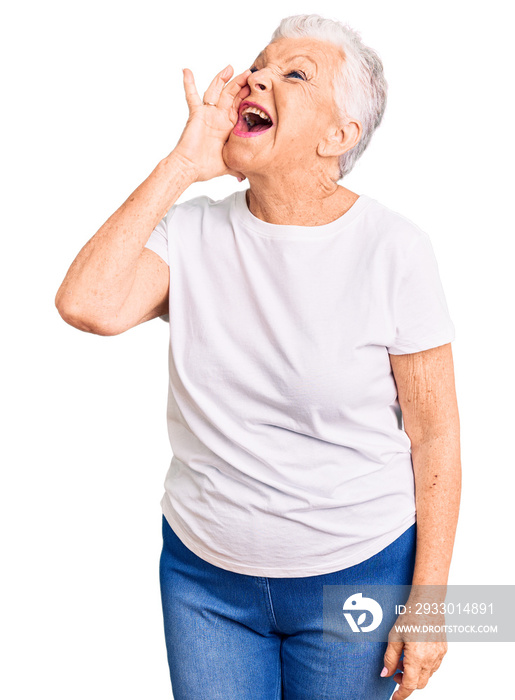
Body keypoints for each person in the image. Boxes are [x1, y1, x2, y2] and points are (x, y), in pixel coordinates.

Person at [55, 12, 461, 700]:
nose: (257, 76)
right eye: (259, 64)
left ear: (338, 136)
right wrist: (182, 165)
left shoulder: (395, 249)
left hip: (357, 575)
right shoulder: (188, 233)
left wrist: (431, 607)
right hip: (204, 581)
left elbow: (435, 437)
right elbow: (86, 305)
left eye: (292, 73)